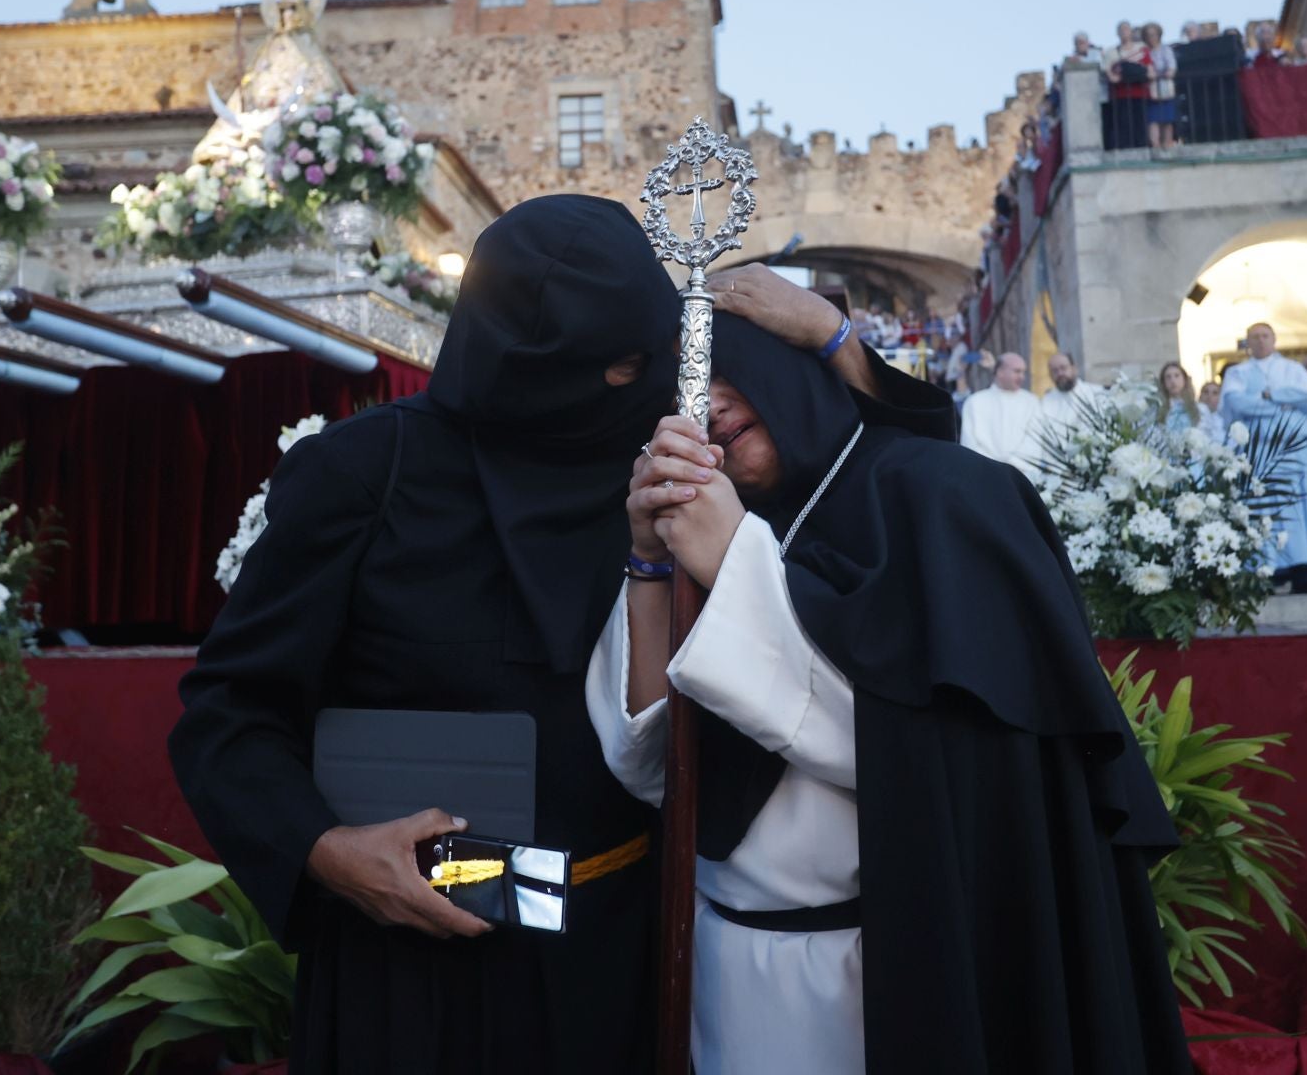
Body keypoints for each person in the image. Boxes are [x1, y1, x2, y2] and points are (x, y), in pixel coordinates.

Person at [168, 203, 946, 1072]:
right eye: (610, 367)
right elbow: (229, 715)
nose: (629, 383)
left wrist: (837, 340)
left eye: (637, 361)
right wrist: (324, 852)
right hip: (416, 980)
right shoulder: (361, 475)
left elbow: (900, 492)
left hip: (626, 964)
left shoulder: (678, 468)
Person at [591, 311, 1192, 1075]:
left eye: (725, 367)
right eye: (679, 389)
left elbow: (921, 750)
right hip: (726, 963)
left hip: (889, 968)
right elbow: (650, 768)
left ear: (789, 363)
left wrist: (736, 562)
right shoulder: (698, 522)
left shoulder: (940, 494)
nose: (704, 402)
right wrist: (648, 565)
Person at [1221, 323, 1307, 588]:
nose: (1260, 341)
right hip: (1256, 449)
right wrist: (1279, 404)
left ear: (1274, 339)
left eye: (1265, 336)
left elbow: (1305, 398)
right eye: (1254, 338)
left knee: (1297, 505)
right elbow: (1237, 402)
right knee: (1262, 506)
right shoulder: (1238, 372)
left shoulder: (1293, 370)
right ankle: (1267, 568)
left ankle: (1303, 568)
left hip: (1290, 446)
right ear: (1247, 342)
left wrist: (1268, 396)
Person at [960, 351, 1046, 482]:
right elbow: (969, 444)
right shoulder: (975, 402)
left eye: (1023, 372)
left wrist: (1012, 465)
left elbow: (1034, 440)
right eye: (1017, 371)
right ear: (1000, 372)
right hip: (984, 476)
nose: (1022, 377)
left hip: (1023, 476)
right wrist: (994, 468)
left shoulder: (1031, 401)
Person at [1039, 351, 1108, 440]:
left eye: (1063, 368)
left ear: (1074, 368)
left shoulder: (1096, 393)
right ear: (1050, 375)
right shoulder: (1046, 402)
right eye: (1054, 371)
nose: (1060, 374)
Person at [1104, 20, 1151, 150]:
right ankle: (1125, 148)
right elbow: (1109, 72)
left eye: (1126, 29)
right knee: (1123, 123)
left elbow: (1149, 68)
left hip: (1139, 92)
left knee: (1140, 122)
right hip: (1120, 94)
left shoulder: (1141, 48)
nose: (1124, 32)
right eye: (1121, 30)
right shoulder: (1112, 52)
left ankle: (1141, 147)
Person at [1142, 21, 1178, 150]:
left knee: (1167, 119)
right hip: (1150, 90)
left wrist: (1158, 74)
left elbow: (1171, 68)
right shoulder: (1144, 51)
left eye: (1154, 34)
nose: (1151, 37)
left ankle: (1167, 144)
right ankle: (1155, 145)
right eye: (1148, 35)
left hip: (1164, 87)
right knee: (1153, 119)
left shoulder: (1165, 50)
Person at [1155, 360, 1202, 432]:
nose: (1173, 381)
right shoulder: (1157, 410)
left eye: (1177, 376)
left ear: (1184, 379)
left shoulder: (1200, 408)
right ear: (1163, 383)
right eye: (1168, 377)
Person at [1197, 377, 1227, 442]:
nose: (1209, 396)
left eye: (1215, 393)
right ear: (1200, 396)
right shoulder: (1192, 417)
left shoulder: (1224, 421)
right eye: (1206, 392)